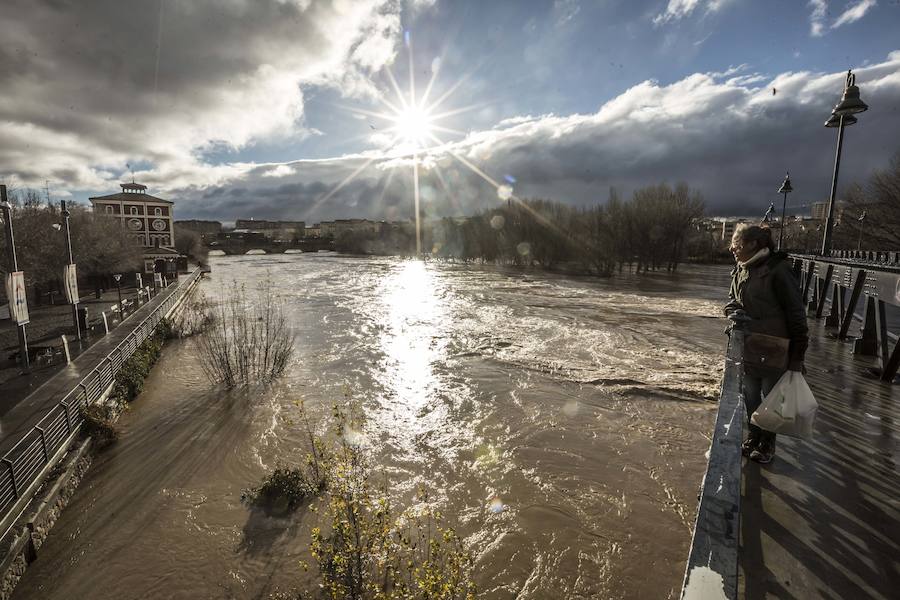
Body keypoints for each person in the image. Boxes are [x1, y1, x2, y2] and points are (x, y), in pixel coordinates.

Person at [724, 224, 808, 464]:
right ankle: (754, 437)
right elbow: (731, 299)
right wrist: (732, 312)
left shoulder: (778, 270)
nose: (732, 249)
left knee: (771, 398)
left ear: (753, 245)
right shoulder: (741, 269)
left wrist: (797, 357)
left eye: (737, 244)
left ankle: (767, 444)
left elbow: (796, 314)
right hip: (748, 344)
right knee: (751, 396)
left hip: (775, 347)